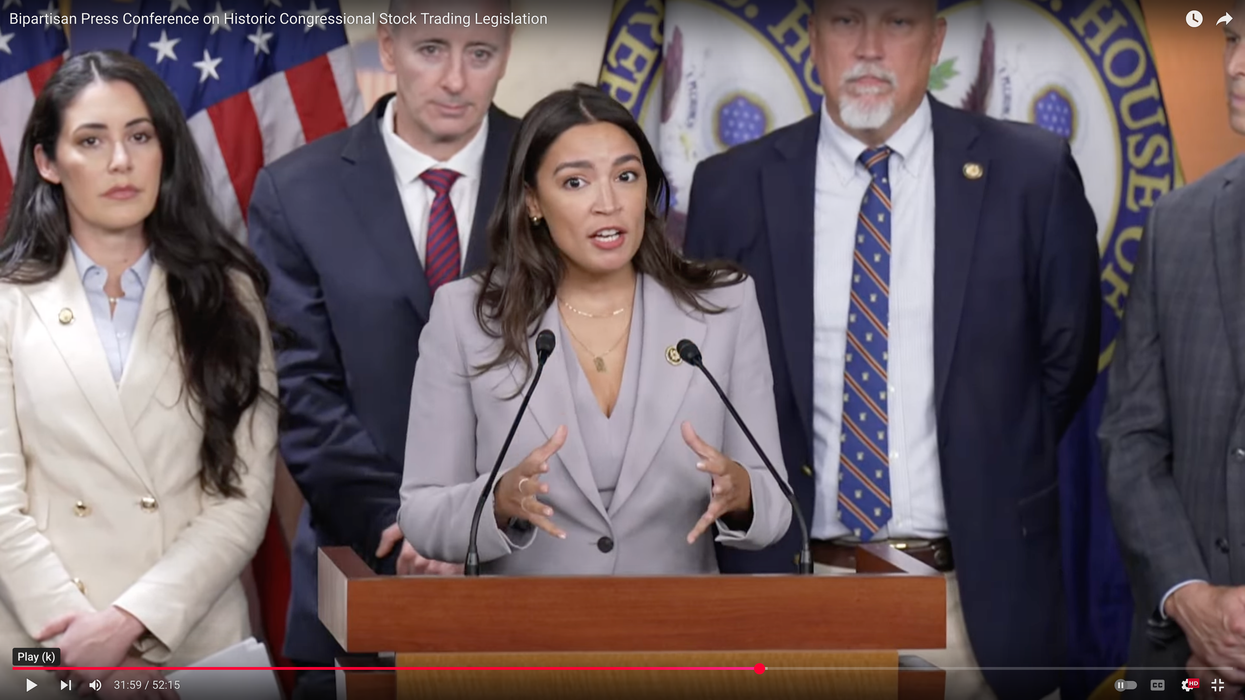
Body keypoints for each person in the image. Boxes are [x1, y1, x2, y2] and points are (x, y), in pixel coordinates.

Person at [681, 1, 1101, 698]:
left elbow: (1064, 364)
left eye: (897, 23)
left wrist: (979, 457)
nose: (870, 48)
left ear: (934, 38)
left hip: (974, 603)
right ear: (811, 37)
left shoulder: (1030, 173)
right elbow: (707, 383)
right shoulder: (732, 186)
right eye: (846, 21)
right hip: (794, 595)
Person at [397, 83, 792, 574]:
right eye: (575, 183)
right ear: (533, 202)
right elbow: (422, 512)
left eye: (626, 176)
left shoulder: (722, 306)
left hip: (678, 638)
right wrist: (498, 501)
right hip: (528, 642)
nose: (608, 202)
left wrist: (742, 491)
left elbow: (774, 504)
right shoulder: (468, 318)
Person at [247, 0, 519, 692]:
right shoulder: (295, 191)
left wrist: (483, 527)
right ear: (388, 47)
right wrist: (406, 529)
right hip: (360, 562)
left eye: (480, 53)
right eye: (432, 49)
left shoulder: (558, 171)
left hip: (531, 568)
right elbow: (303, 393)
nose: (456, 79)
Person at [0, 51, 278, 699]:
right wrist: (80, 639)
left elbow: (242, 498)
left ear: (165, 150)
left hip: (194, 639)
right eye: (91, 140)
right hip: (44, 645)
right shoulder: (7, 302)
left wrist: (130, 623)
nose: (120, 161)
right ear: (47, 162)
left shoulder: (229, 296)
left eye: (139, 136)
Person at [1100, 5, 1245, 698]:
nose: (1236, 64)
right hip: (1186, 663)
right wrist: (1191, 599)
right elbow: (1130, 437)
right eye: (1233, 38)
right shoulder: (1176, 225)